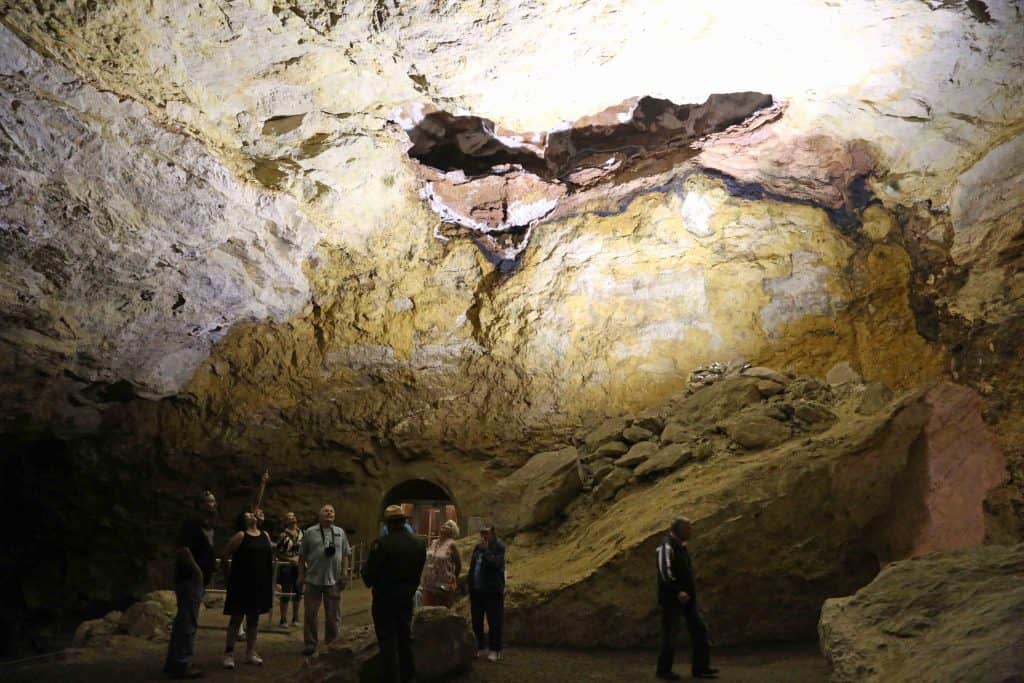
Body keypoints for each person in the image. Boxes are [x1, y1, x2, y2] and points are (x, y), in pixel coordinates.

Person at [362, 505, 427, 683]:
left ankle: (390, 678)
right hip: (406, 597)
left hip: (384, 599)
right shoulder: (419, 543)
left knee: (387, 641)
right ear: (404, 521)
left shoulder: (381, 544)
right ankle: (409, 676)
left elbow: (368, 576)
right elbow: (418, 571)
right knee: (405, 637)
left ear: (388, 523)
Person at [164, 490, 218, 679]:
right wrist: (197, 572)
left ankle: (175, 662)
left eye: (214, 501)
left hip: (196, 580)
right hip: (189, 579)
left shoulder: (208, 525)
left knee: (183, 621)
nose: (213, 504)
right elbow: (183, 550)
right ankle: (182, 664)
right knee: (188, 621)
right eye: (209, 501)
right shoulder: (192, 524)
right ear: (201, 504)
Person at [656, 517, 717, 680]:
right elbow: (665, 572)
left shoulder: (681, 547)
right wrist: (678, 591)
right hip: (672, 600)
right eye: (688, 528)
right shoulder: (666, 546)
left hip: (688, 599)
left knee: (700, 630)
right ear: (678, 529)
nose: (691, 531)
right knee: (670, 635)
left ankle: (701, 668)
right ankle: (663, 670)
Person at [221, 511, 274, 669]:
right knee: (236, 618)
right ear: (243, 520)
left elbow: (268, 557)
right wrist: (229, 577)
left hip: (259, 584)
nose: (252, 515)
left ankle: (250, 652)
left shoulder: (265, 535)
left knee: (254, 619)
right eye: (248, 514)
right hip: (241, 583)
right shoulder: (241, 535)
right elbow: (224, 555)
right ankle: (229, 654)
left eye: (253, 514)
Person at [298, 504, 351, 656]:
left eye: (332, 511)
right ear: (319, 515)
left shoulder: (340, 532)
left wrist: (345, 573)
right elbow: (302, 556)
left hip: (334, 579)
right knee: (310, 613)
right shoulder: (310, 532)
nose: (329, 512)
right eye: (326, 511)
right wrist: (301, 575)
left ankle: (331, 643)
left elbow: (346, 554)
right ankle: (310, 643)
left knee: (333, 614)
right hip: (313, 579)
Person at [468, 525, 505, 662]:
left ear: (493, 534)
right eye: (482, 533)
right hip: (477, 591)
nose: (483, 536)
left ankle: (495, 649)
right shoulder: (477, 547)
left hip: (492, 591)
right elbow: (473, 566)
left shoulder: (499, 547)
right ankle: (478, 646)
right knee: (476, 620)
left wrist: (486, 551)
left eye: (486, 533)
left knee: (494, 621)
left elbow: (496, 564)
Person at [419, 519, 462, 608]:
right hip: (428, 585)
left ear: (452, 531)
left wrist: (453, 578)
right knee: (427, 613)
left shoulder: (452, 545)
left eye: (449, 526)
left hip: (444, 586)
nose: (445, 526)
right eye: (445, 524)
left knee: (442, 614)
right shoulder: (433, 542)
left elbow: (458, 564)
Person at [275, 511, 304, 628]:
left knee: (298, 592)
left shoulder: (302, 533)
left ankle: (296, 618)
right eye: (289, 517)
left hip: (299, 566)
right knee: (286, 592)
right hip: (287, 566)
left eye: (294, 516)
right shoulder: (283, 536)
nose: (293, 518)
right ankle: (283, 619)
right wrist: (290, 559)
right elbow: (278, 552)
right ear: (286, 521)